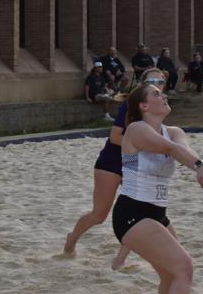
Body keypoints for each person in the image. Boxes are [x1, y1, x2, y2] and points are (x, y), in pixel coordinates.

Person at [111, 79, 203, 293]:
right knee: (184, 267)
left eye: (162, 92)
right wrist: (199, 165)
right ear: (143, 106)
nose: (163, 95)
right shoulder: (136, 129)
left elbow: (182, 148)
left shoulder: (174, 131)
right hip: (132, 213)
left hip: (157, 214)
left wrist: (198, 163)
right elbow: (169, 148)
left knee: (170, 275)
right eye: (156, 94)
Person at [64, 68, 169, 269]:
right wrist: (142, 144)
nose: (157, 83)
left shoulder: (160, 108)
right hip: (112, 162)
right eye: (152, 80)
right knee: (99, 215)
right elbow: (115, 137)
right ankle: (72, 238)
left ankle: (120, 258)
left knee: (143, 211)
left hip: (136, 165)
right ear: (142, 83)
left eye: (161, 80)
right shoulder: (131, 105)